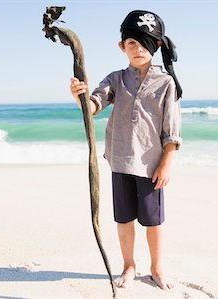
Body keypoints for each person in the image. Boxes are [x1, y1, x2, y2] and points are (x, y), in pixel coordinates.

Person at [70, 10, 182, 290]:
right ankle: (129, 265)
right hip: (119, 161)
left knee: (153, 222)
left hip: (150, 164)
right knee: (124, 219)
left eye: (144, 43)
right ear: (122, 47)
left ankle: (157, 269)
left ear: (156, 45)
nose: (138, 49)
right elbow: (94, 105)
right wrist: (80, 96)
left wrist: (166, 162)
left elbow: (172, 130)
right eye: (131, 43)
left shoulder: (166, 83)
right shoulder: (115, 79)